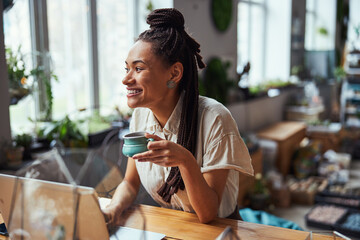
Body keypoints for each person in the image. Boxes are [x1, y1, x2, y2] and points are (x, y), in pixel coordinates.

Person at [102, 8, 253, 225]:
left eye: (138, 68)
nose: (126, 79)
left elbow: (208, 214)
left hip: (220, 230)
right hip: (175, 226)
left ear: (174, 73)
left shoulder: (215, 119)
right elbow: (130, 182)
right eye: (127, 68)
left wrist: (185, 161)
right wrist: (112, 210)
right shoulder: (141, 116)